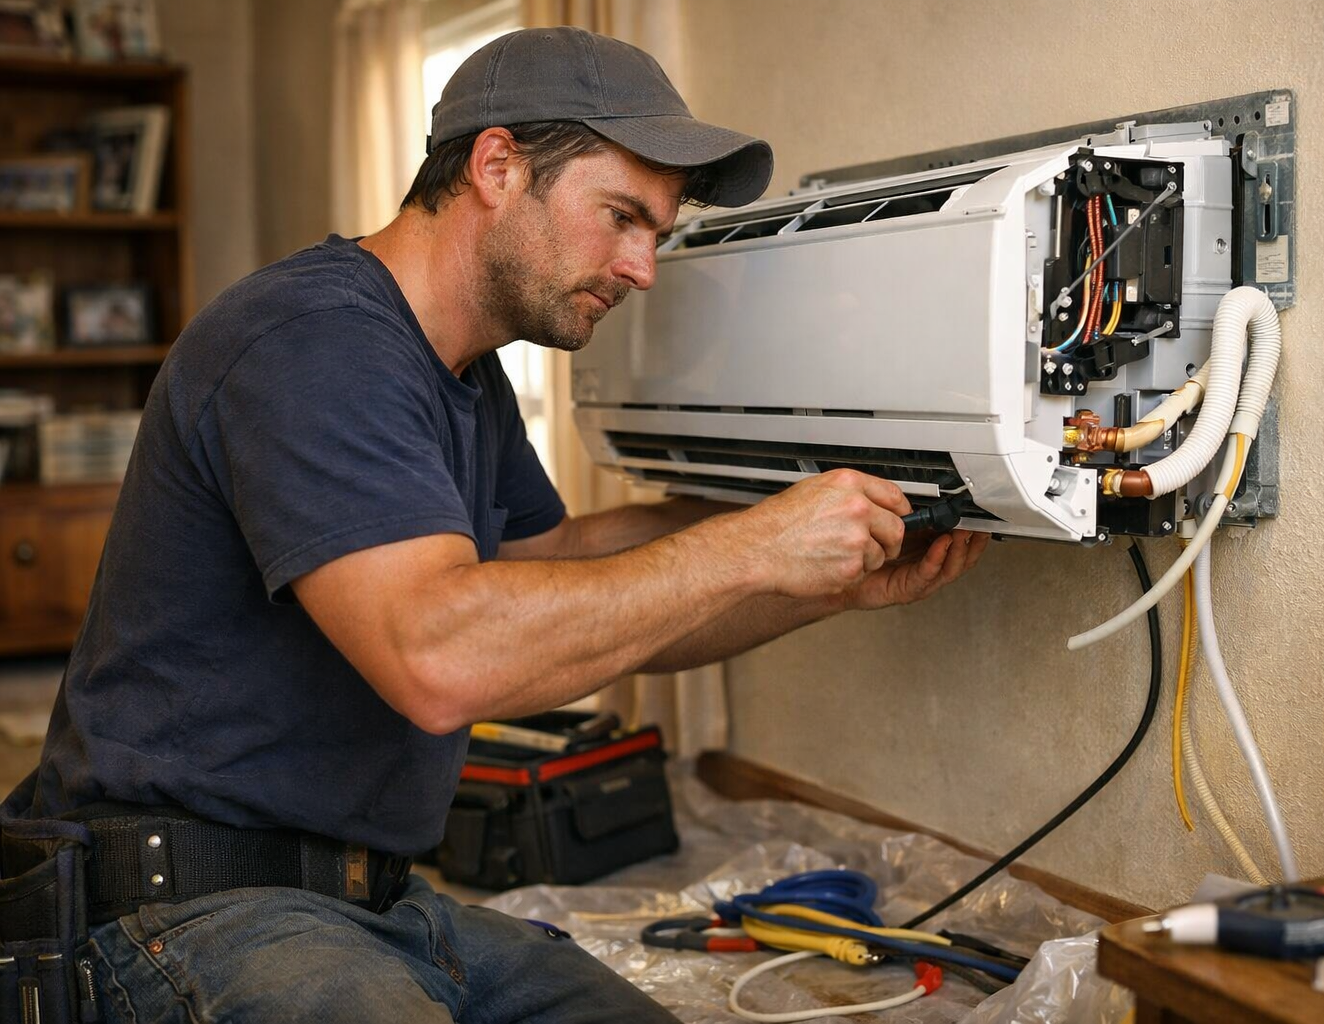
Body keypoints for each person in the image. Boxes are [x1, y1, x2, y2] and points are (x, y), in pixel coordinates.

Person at [0, 27, 988, 1023]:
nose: (644, 265)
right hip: (189, 909)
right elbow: (442, 652)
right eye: (622, 216)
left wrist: (819, 576)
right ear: (499, 166)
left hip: (376, 899)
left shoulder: (464, 374)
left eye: (658, 228)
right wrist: (759, 543)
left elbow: (554, 579)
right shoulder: (312, 342)